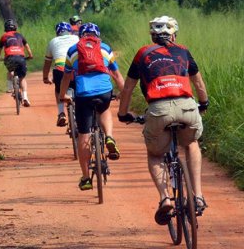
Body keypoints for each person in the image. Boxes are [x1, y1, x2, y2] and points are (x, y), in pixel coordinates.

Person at [117, 15, 209, 224]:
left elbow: (128, 88)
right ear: (173, 35)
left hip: (158, 110)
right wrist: (203, 103)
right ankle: (198, 195)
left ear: (153, 36)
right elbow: (199, 83)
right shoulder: (184, 50)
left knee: (155, 154)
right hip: (187, 106)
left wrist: (123, 114)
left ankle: (165, 198)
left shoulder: (143, 53)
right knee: (192, 143)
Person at [59, 22, 125, 191]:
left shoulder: (73, 51)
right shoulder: (105, 48)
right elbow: (116, 75)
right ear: (97, 35)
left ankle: (86, 177)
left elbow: (66, 77)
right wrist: (124, 93)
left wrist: (62, 96)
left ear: (81, 36)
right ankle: (109, 136)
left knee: (84, 134)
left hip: (83, 94)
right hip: (104, 91)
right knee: (104, 109)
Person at [42, 22, 79, 126]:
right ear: (70, 31)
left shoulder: (53, 41)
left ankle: (61, 113)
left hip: (60, 69)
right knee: (79, 89)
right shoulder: (76, 38)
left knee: (58, 89)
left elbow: (47, 63)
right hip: (76, 69)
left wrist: (45, 77)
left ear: (57, 33)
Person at [0, 19, 34, 107]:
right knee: (22, 78)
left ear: (5, 28)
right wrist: (30, 56)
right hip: (21, 58)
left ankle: (10, 88)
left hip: (9, 58)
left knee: (10, 71)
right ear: (15, 27)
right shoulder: (20, 35)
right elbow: (27, 48)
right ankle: (25, 97)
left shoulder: (4, 36)